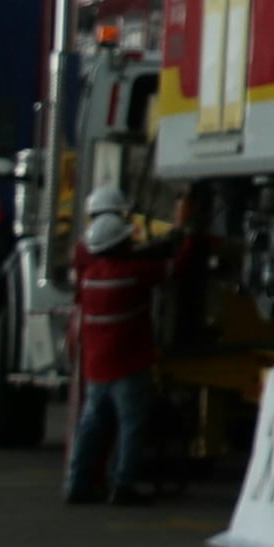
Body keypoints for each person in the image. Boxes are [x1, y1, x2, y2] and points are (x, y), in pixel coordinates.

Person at [64, 188, 185, 505]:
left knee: (91, 426)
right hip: (128, 367)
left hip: (96, 367)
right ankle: (123, 486)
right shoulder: (133, 274)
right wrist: (187, 231)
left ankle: (77, 483)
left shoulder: (88, 275)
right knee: (131, 428)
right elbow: (177, 266)